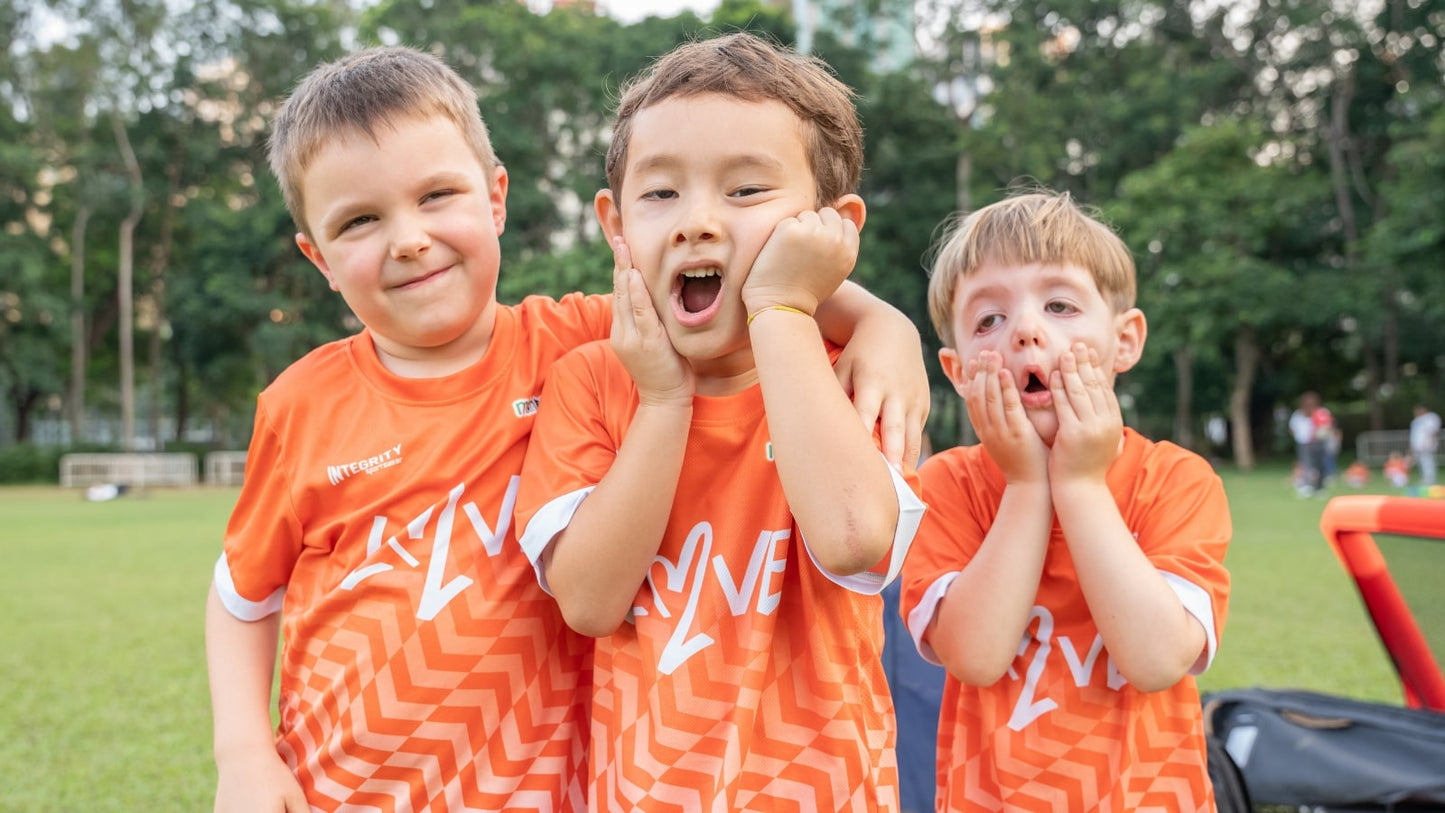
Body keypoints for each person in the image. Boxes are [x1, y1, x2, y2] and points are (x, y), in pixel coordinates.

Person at [204, 45, 931, 812]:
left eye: (436, 195)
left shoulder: (584, 338)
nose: (409, 238)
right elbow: (243, 592)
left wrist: (883, 323)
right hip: (337, 787)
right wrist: (243, 753)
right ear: (317, 257)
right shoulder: (305, 402)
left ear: (495, 199)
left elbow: (735, 291)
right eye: (360, 220)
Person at [514, 33, 927, 811]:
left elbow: (855, 539)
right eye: (660, 193)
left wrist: (785, 309)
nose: (696, 222)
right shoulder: (588, 382)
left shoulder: (848, 373)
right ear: (614, 223)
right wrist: (665, 402)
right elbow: (591, 601)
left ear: (830, 229)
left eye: (744, 192)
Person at [899, 189, 1232, 811]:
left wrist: (1079, 484)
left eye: (1059, 305)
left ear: (1125, 341)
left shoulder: (1176, 480)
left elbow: (1159, 659)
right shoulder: (945, 486)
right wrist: (1027, 485)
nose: (1026, 330)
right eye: (988, 320)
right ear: (957, 368)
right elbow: (975, 656)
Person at [1289, 391, 1328, 495]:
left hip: (1318, 443)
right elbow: (1292, 428)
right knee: (1306, 464)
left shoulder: (1321, 412)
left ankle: (1319, 487)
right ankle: (1305, 486)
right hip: (1303, 443)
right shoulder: (1298, 414)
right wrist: (1299, 437)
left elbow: (1326, 426)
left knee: (1320, 465)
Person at [1411, 403, 1440, 486]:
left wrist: (1430, 443)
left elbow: (1433, 431)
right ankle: (1425, 478)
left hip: (1427, 445)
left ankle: (1430, 479)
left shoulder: (1431, 417)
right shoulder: (1416, 420)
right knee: (1421, 462)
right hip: (1418, 446)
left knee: (1428, 461)